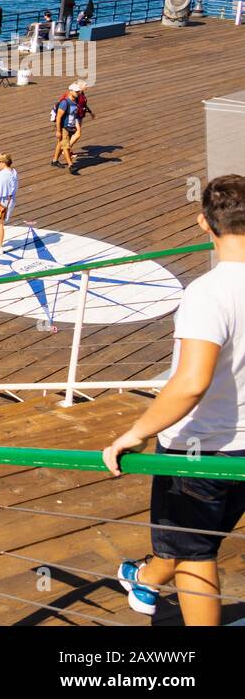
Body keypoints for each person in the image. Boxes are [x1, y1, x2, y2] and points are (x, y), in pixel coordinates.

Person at [102, 175, 245, 625]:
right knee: (190, 540)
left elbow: (190, 383)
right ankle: (144, 577)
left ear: (204, 223)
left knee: (195, 553)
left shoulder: (209, 294)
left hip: (198, 451)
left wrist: (134, 434)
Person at [51, 85, 81, 174]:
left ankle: (54, 161)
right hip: (64, 128)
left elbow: (74, 115)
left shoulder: (75, 101)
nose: (78, 93)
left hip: (70, 127)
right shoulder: (65, 103)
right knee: (66, 146)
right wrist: (58, 131)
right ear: (70, 91)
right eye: (76, 91)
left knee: (61, 144)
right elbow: (59, 117)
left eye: (78, 91)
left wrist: (76, 126)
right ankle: (71, 165)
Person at [69, 81, 96, 158]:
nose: (87, 87)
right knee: (78, 134)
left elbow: (84, 105)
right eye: (85, 85)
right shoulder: (77, 95)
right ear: (80, 87)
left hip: (80, 116)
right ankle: (65, 148)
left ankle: (68, 150)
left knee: (74, 134)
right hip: (76, 116)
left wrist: (90, 113)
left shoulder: (82, 94)